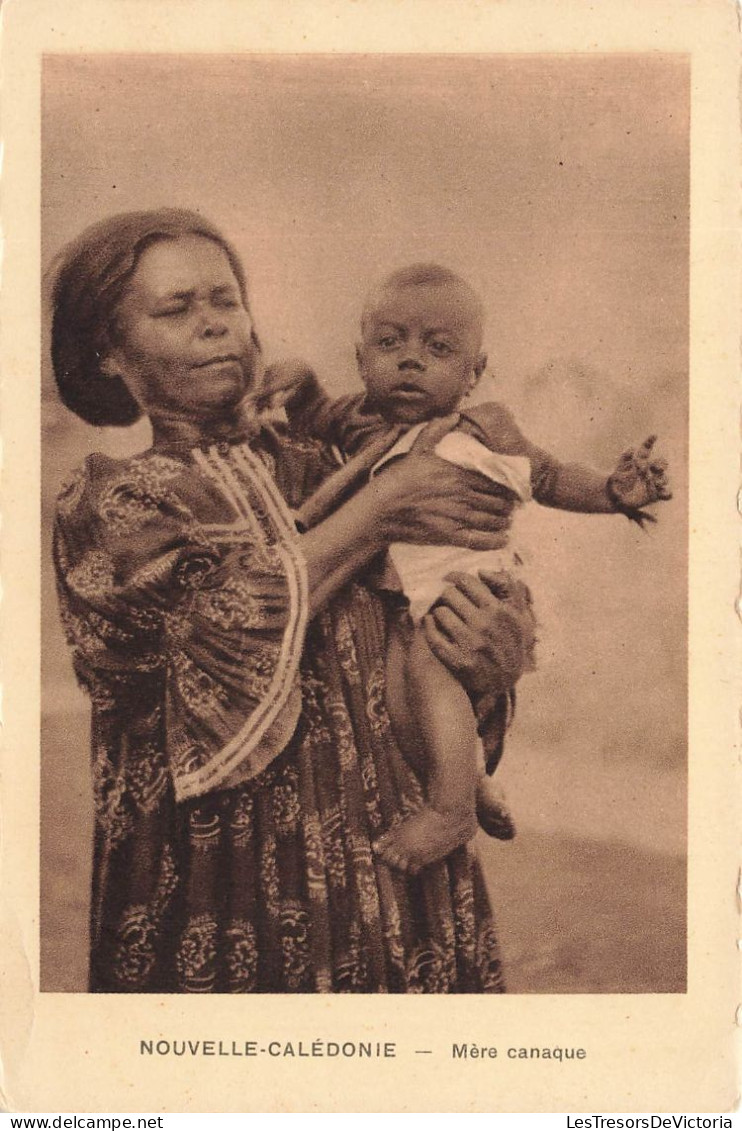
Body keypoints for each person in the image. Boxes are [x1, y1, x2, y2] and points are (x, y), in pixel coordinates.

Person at [49, 211, 529, 993]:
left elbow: (434, 613)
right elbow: (221, 629)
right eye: (177, 309)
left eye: (226, 301)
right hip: (222, 876)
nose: (215, 327)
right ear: (107, 351)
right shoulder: (111, 498)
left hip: (396, 856)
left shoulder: (331, 464)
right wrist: (378, 510)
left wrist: (493, 660)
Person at [261, 263, 671, 875]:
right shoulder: (361, 420)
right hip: (410, 599)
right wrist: (300, 385)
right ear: (361, 357)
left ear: (475, 372)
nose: (410, 361)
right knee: (401, 693)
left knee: (430, 670)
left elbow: (551, 477)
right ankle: (468, 777)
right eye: (390, 343)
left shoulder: (488, 428)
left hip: (469, 585)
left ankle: (451, 807)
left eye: (439, 348)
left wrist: (614, 492)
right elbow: (315, 412)